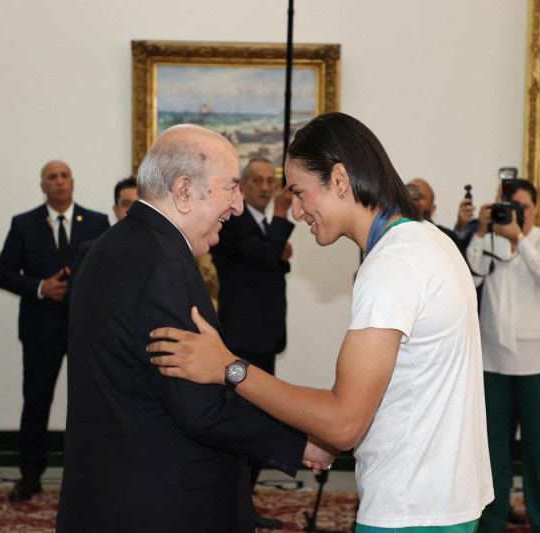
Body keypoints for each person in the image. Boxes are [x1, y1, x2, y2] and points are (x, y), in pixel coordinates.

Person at [149, 112, 493, 532]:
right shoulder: (428, 240)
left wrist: (230, 367)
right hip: (445, 498)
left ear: (340, 179)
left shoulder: (394, 264)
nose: (295, 211)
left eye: (299, 192)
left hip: (410, 507)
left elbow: (345, 423)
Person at [56, 124, 333, 533]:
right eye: (231, 187)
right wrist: (298, 441)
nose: (237, 206)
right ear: (184, 191)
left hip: (110, 492)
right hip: (161, 504)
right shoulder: (165, 266)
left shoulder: (111, 247)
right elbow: (200, 407)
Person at [0, 160, 110, 502]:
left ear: (73, 182)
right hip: (40, 329)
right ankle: (30, 477)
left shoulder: (97, 222)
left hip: (85, 330)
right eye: (51, 178)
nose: (59, 182)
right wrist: (41, 287)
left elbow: (106, 272)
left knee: (92, 404)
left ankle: (93, 476)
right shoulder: (23, 223)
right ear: (43, 186)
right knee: (36, 403)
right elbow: (3, 274)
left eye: (64, 176)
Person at [465, 179, 540, 533]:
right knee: (493, 451)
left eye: (523, 208)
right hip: (493, 363)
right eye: (509, 207)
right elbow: (471, 278)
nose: (516, 214)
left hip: (539, 364)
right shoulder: (489, 239)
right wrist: (481, 231)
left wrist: (519, 239)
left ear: (536, 207)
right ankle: (490, 523)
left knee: (538, 451)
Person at [210, 157, 294, 530]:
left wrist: (280, 252)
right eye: (257, 180)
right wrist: (281, 218)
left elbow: (264, 264)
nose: (266, 186)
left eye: (270, 180)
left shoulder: (262, 225)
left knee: (261, 419)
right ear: (241, 186)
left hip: (264, 336)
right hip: (241, 338)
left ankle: (244, 504)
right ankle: (233, 506)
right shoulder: (233, 219)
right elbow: (258, 256)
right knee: (244, 421)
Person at [406, 177, 461, 249]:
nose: (413, 200)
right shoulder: (391, 231)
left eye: (420, 196)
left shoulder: (447, 237)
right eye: (409, 195)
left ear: (432, 208)